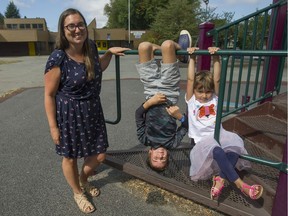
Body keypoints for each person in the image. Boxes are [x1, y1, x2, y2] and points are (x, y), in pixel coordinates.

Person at [44, 8, 130, 214]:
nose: (77, 29)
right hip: (69, 114)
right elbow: (48, 94)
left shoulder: (90, 47)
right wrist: (53, 127)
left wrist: (108, 53)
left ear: (86, 27)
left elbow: (96, 68)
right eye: (70, 26)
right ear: (63, 31)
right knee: (70, 158)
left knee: (99, 155)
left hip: (93, 110)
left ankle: (83, 179)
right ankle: (77, 192)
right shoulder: (58, 58)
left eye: (80, 24)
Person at [185, 47, 264, 200]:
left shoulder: (215, 98)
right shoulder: (191, 100)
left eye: (207, 92)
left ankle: (220, 178)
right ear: (194, 91)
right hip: (202, 140)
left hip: (219, 134)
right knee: (219, 151)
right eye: (200, 91)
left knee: (235, 149)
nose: (204, 95)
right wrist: (192, 57)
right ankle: (242, 186)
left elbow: (217, 79)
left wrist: (217, 57)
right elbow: (189, 79)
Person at [135, 38, 189, 172]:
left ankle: (163, 51)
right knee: (168, 44)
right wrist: (179, 116)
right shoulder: (173, 143)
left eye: (156, 158)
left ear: (149, 153)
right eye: (163, 159)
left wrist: (150, 102)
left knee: (143, 46)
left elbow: (138, 115)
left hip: (150, 90)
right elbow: (187, 125)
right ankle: (180, 54)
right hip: (169, 91)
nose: (160, 155)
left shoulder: (144, 139)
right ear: (168, 156)